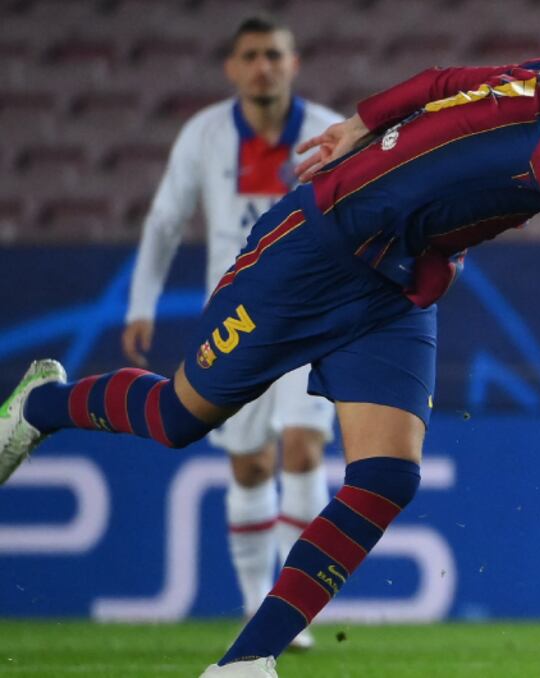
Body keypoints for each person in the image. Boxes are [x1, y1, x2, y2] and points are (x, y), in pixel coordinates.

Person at [0, 8, 540, 677]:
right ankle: (42, 404)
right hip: (312, 258)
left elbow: (438, 81)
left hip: (397, 288)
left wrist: (362, 121)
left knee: (387, 475)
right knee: (179, 418)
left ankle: (245, 660)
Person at [121, 16, 341, 650]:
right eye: (251, 55)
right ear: (232, 68)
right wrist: (143, 305)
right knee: (248, 465)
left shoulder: (328, 129)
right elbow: (165, 220)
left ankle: (290, 609)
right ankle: (253, 603)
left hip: (312, 311)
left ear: (293, 64)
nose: (263, 66)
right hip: (236, 319)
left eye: (274, 54)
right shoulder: (206, 134)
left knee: (301, 448)